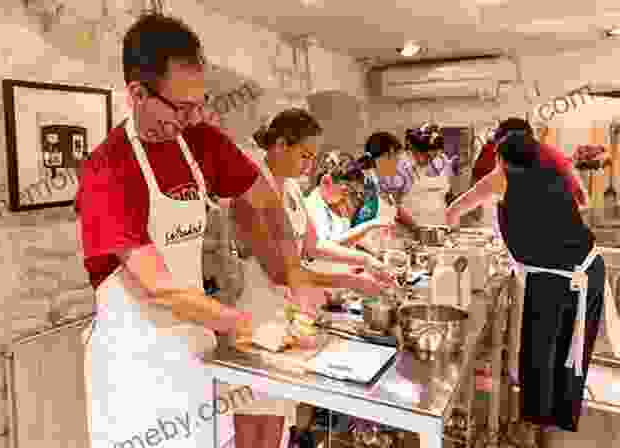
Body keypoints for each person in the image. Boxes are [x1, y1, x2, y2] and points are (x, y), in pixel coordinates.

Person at [76, 14, 305, 448]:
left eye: (198, 103)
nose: (193, 116)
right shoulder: (107, 170)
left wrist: (294, 272)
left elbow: (267, 200)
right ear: (137, 94)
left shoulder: (199, 142)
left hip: (193, 351)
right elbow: (158, 287)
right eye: (180, 106)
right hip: (136, 366)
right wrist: (241, 324)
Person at [229, 109, 397, 448]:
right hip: (256, 315)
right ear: (279, 145)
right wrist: (350, 282)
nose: (309, 166)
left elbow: (312, 244)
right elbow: (280, 271)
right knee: (252, 421)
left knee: (277, 415)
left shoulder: (290, 188)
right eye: (304, 155)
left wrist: (366, 259)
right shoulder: (249, 191)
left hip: (288, 316)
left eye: (313, 157)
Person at [445, 118, 605, 432]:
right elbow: (581, 203)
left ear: (502, 157)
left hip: (556, 280)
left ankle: (533, 429)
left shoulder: (501, 178)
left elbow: (455, 211)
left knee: (540, 358)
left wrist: (447, 238)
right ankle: (552, 425)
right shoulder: (554, 165)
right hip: (586, 269)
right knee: (567, 356)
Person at [381, 123, 454, 227]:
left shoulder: (442, 160)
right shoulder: (398, 164)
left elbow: (447, 193)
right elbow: (390, 203)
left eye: (435, 156)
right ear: (413, 149)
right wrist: (414, 228)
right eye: (427, 156)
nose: (431, 160)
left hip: (439, 228)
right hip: (408, 231)